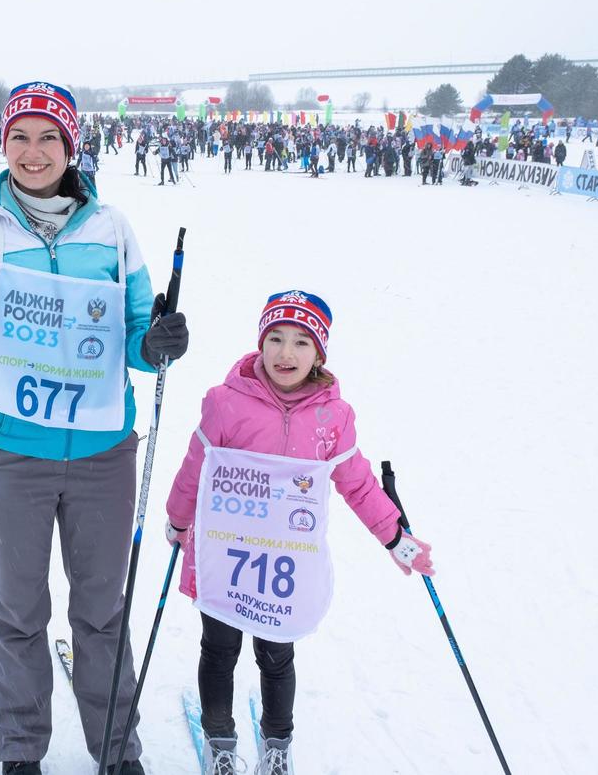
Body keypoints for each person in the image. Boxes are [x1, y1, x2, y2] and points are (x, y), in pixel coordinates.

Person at [0, 81, 188, 775]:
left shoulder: (113, 230)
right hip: (9, 456)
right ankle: (20, 753)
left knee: (101, 612)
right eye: (19, 138)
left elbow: (133, 335)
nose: (33, 153)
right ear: (2, 145)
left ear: (71, 147)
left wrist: (155, 344)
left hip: (102, 455)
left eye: (48, 138)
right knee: (18, 612)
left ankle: (117, 753)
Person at [163, 291, 433, 774]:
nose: (286, 353)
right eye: (276, 339)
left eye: (302, 342)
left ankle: (277, 741)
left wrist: (398, 539)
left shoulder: (332, 417)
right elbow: (194, 469)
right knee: (219, 650)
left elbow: (358, 483)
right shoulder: (226, 404)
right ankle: (220, 741)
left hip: (284, 562)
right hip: (225, 556)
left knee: (275, 652)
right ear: (261, 343)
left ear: (319, 354)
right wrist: (179, 519)